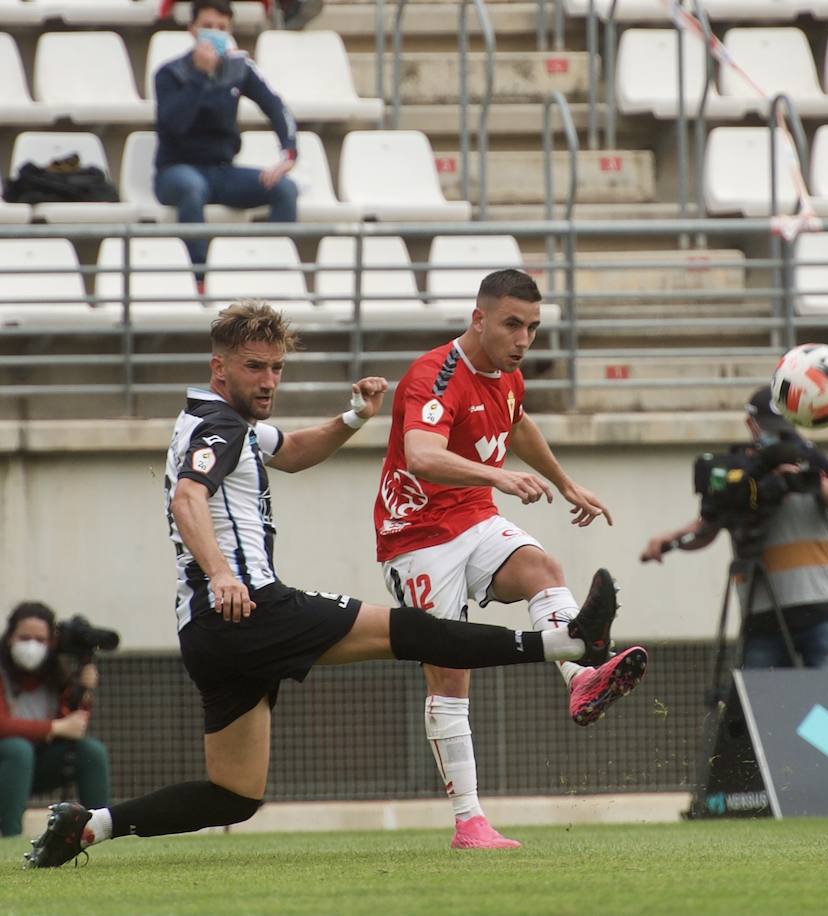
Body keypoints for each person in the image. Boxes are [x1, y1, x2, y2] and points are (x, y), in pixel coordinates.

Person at [23, 300, 622, 869]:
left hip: (207, 633)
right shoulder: (217, 428)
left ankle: (89, 825)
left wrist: (355, 417)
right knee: (415, 632)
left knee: (233, 794)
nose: (268, 380)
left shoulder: (224, 423)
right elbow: (188, 497)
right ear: (219, 367)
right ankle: (568, 646)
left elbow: (293, 451)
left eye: (277, 367)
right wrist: (225, 573)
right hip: (250, 607)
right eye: (254, 367)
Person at [374, 269, 648, 850]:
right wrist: (500, 476)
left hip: (472, 516)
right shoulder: (434, 374)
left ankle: (581, 678)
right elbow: (421, 455)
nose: (524, 339)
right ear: (479, 319)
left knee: (543, 569)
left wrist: (565, 482)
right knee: (451, 673)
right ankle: (469, 821)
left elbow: (516, 425)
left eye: (533, 327)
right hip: (415, 535)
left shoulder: (507, 375)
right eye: (512, 325)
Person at [641, 387, 828, 669]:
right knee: (763, 705)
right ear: (751, 424)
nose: (776, 436)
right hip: (762, 617)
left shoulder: (808, 457)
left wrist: (813, 481)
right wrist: (673, 538)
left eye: (782, 428)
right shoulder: (741, 473)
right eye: (769, 428)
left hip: (822, 610)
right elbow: (708, 527)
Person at [153, 0, 298, 284]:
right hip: (176, 171)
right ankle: (199, 279)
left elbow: (276, 106)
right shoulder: (169, 73)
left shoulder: (239, 68)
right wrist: (199, 75)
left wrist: (289, 154)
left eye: (222, 28)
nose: (215, 34)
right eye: (207, 27)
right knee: (191, 188)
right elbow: (175, 125)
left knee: (285, 189)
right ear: (192, 30)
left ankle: (273, 272)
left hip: (222, 171)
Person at [0, 603, 110, 838]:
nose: (32, 645)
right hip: (8, 764)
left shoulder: (56, 673)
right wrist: (55, 727)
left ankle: (102, 829)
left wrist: (85, 691)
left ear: (51, 642)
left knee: (91, 751)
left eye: (40, 639)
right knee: (18, 750)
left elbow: (74, 725)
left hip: (36, 766)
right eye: (25, 637)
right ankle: (10, 836)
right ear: (10, 638)